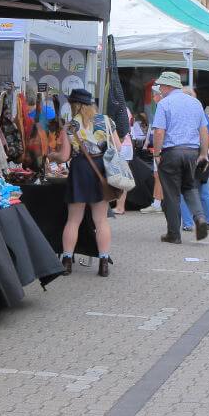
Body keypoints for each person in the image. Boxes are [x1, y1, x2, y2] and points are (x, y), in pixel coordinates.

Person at [51, 88, 117, 277]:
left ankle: (67, 262)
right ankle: (103, 263)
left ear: (75, 105)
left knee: (73, 220)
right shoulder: (106, 121)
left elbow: (64, 156)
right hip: (101, 170)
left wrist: (52, 155)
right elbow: (118, 148)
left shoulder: (70, 126)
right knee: (101, 220)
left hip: (80, 170)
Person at [150, 71, 209, 244]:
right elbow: (204, 130)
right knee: (189, 187)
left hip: (172, 152)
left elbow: (159, 131)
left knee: (171, 194)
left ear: (169, 86)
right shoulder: (195, 103)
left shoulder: (164, 103)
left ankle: (173, 234)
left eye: (162, 86)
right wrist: (202, 154)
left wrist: (156, 152)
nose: (160, 89)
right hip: (192, 152)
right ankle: (199, 217)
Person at [181, 88, 209, 234]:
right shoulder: (200, 114)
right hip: (200, 155)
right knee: (204, 189)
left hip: (184, 154)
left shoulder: (177, 114)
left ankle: (188, 223)